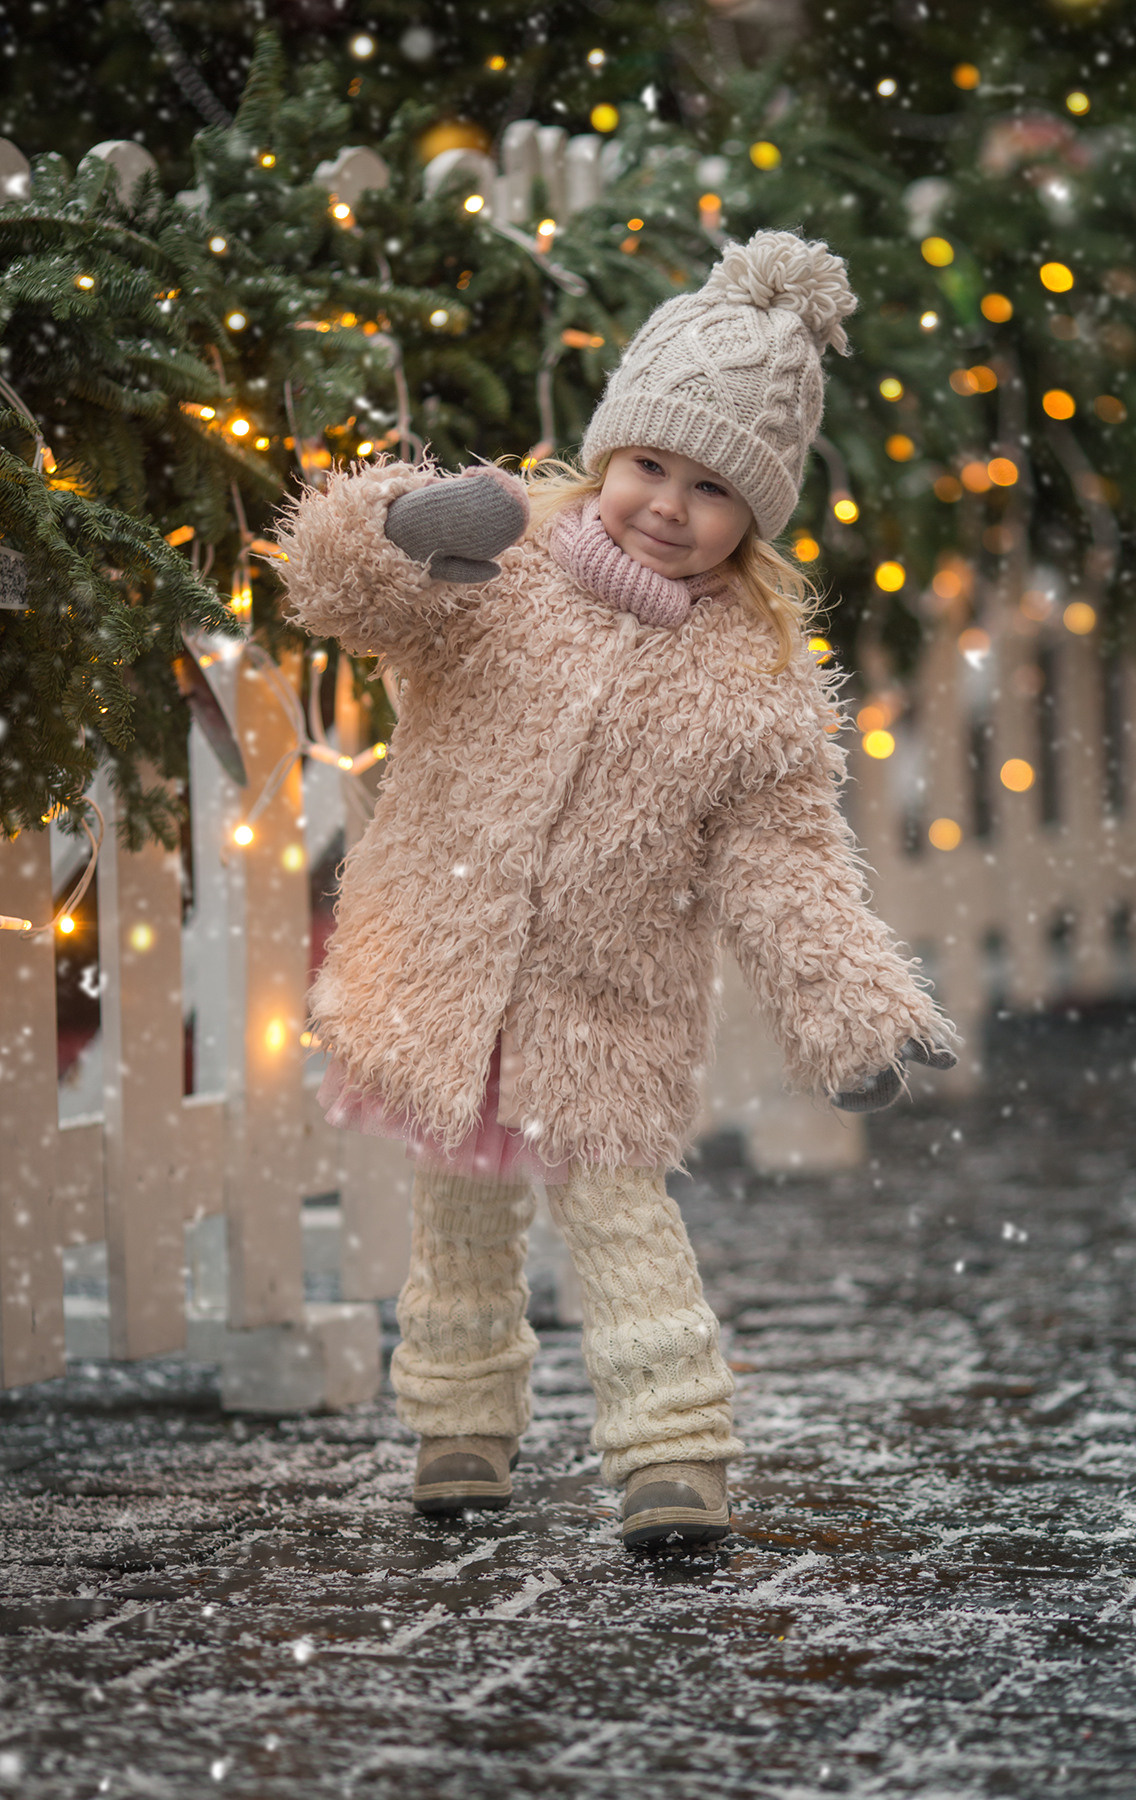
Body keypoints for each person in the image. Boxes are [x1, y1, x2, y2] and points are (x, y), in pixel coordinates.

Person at [278, 229, 956, 1551]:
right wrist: (401, 530)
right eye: (649, 463)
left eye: (711, 488)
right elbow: (344, 597)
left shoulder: (750, 683)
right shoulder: (499, 573)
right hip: (441, 961)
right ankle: (459, 1430)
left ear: (754, 517)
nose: (666, 504)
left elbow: (787, 861)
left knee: (621, 1226)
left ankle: (672, 1454)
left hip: (605, 1001)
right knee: (458, 1225)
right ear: (607, 452)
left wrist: (849, 1012)